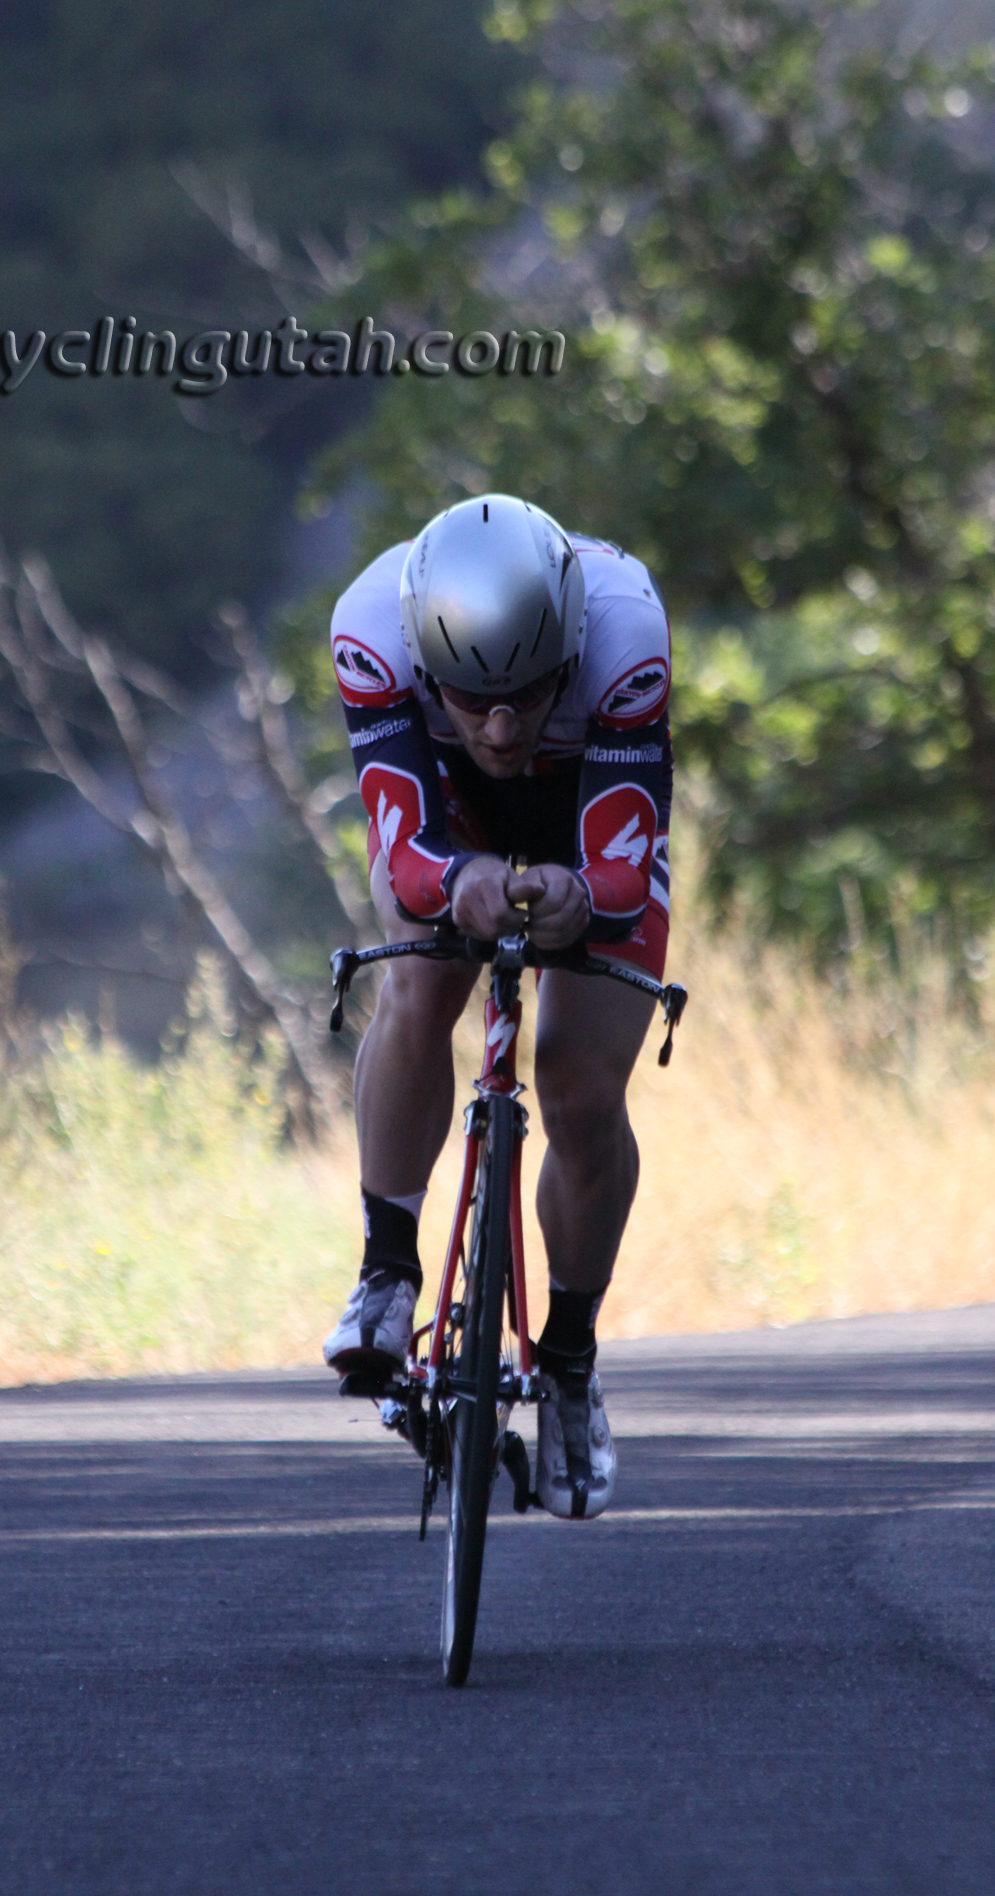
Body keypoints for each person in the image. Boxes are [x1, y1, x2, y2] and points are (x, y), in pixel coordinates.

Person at [321, 493, 672, 1520]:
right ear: (424, 663)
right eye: (471, 700)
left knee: (578, 1085)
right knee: (420, 979)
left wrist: (583, 896)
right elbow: (406, 846)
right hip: (450, 816)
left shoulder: (624, 626)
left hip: (582, 814)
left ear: (570, 650)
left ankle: (568, 1360)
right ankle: (387, 1272)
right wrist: (457, 877)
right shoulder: (369, 626)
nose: (502, 726)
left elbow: (622, 860)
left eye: (526, 693)